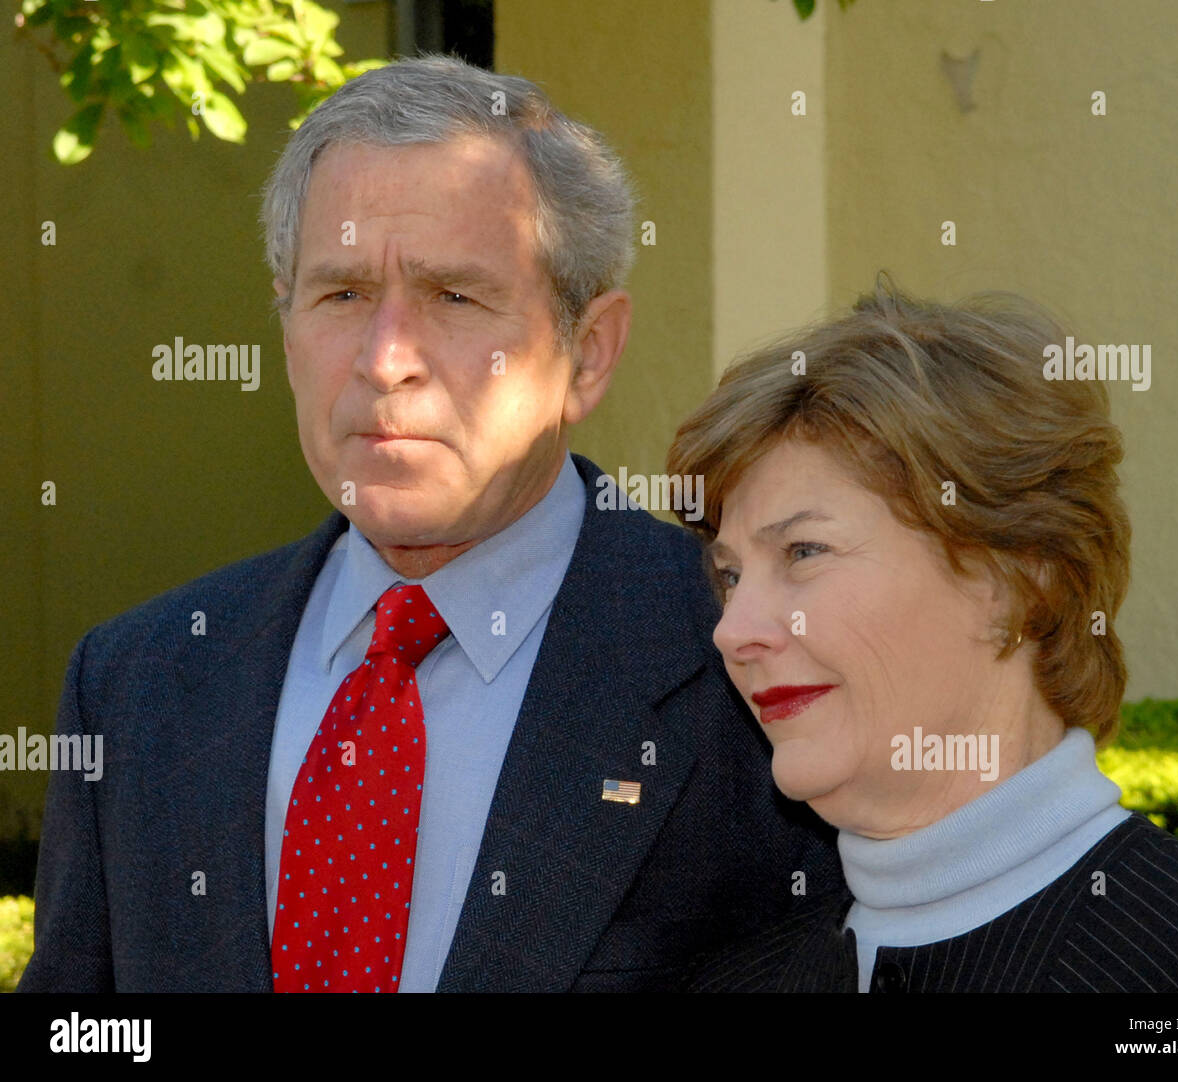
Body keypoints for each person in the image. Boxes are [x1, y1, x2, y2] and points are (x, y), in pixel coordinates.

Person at [17, 55, 840, 993]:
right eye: (342, 294)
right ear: (285, 334)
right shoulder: (139, 684)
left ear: (588, 352)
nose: (386, 359)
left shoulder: (755, 662)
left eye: (454, 296)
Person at [668, 277, 1178, 992]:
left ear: (1019, 577)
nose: (734, 630)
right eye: (729, 576)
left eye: (804, 552)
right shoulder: (732, 981)